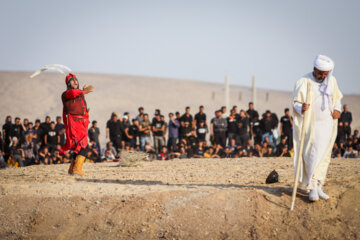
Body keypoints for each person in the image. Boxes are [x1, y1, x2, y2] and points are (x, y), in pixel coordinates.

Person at [292, 55, 342, 201]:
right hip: (311, 126)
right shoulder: (304, 81)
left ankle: (319, 185)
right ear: (314, 69)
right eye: (320, 73)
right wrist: (301, 106)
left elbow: (337, 99)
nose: (322, 76)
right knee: (312, 155)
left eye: (325, 73)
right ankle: (311, 187)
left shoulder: (332, 81)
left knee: (324, 155)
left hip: (327, 125)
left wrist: (337, 109)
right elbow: (295, 102)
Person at [60, 73, 94, 175]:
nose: (75, 81)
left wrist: (82, 93)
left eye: (76, 80)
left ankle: (72, 169)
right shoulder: (66, 94)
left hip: (81, 124)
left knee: (80, 146)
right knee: (83, 146)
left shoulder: (80, 94)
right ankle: (76, 169)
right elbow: (73, 93)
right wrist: (83, 91)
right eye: (72, 80)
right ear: (68, 83)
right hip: (74, 123)